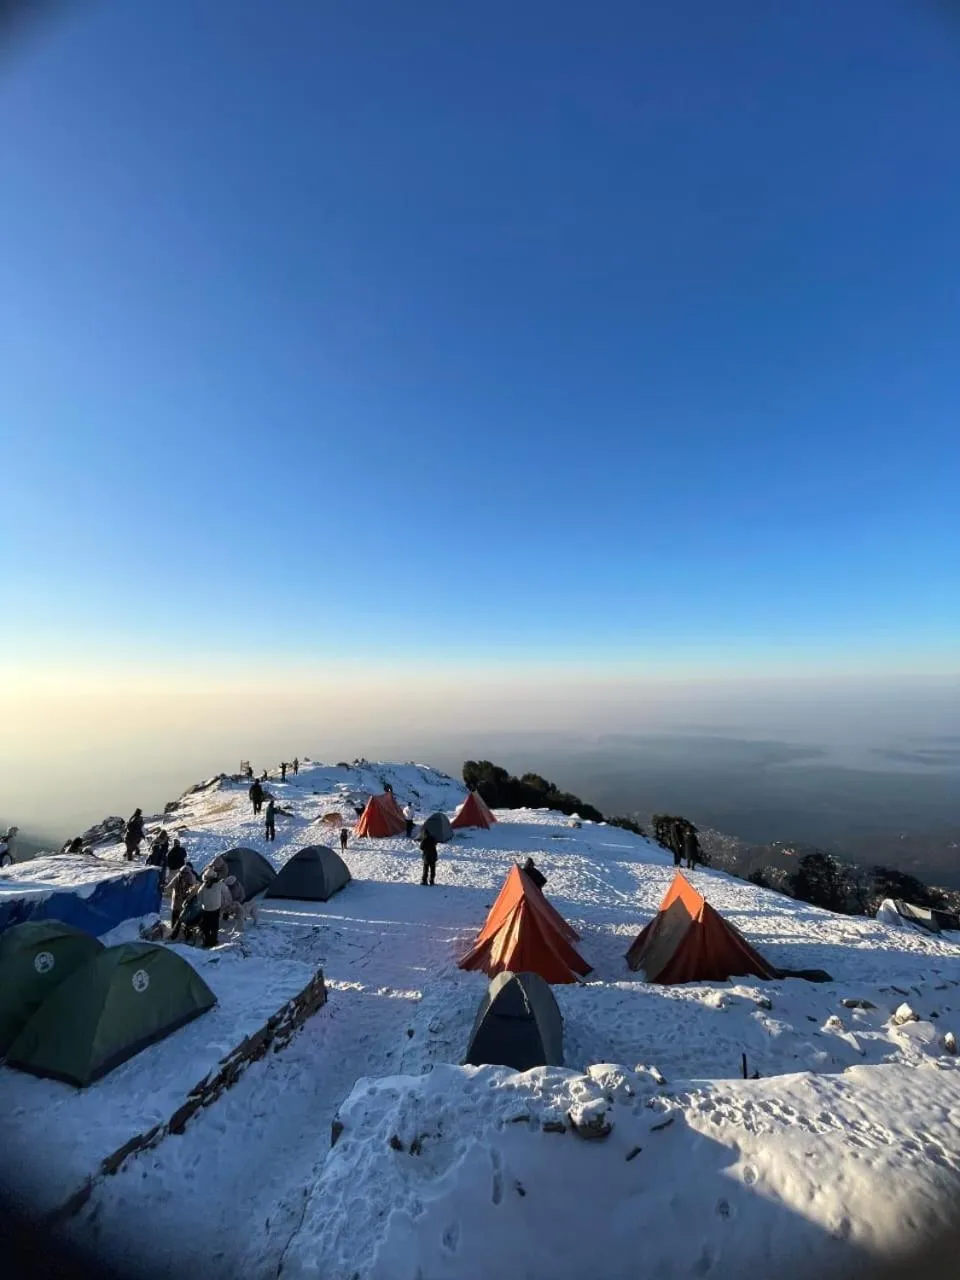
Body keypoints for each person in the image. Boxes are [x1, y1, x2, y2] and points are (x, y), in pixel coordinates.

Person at [169, 861, 200, 932]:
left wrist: (166, 889)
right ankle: (180, 931)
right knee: (182, 916)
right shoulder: (191, 876)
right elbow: (194, 887)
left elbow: (170, 885)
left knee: (174, 915)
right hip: (184, 901)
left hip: (176, 900)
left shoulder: (178, 876)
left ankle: (173, 929)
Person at [198, 867, 223, 948]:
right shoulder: (219, 884)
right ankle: (213, 941)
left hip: (206, 909)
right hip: (216, 908)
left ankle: (206, 941)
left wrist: (202, 905)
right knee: (214, 926)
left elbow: (199, 898)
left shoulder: (202, 887)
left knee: (206, 926)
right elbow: (224, 892)